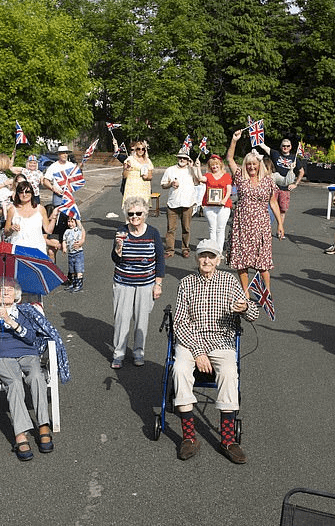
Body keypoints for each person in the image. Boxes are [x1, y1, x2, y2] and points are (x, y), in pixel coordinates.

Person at [172, 239, 258, 464]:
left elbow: (253, 315)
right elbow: (180, 322)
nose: (207, 260)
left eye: (211, 256)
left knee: (229, 371)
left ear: (219, 260)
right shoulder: (187, 282)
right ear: (197, 258)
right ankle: (189, 437)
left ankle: (228, 440)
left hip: (222, 340)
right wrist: (199, 352)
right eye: (203, 256)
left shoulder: (230, 281)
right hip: (192, 340)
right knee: (179, 369)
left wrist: (246, 307)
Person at [0, 278, 70, 461]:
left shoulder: (25, 312)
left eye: (9, 289)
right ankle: (20, 434)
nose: (5, 292)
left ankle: (43, 425)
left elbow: (31, 338)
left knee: (37, 376)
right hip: (2, 355)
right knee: (14, 382)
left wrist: (11, 322)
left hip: (26, 352)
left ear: (16, 295)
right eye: (1, 290)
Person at [110, 195, 165, 369]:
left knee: (142, 320)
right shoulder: (121, 231)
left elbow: (160, 260)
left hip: (146, 283)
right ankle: (118, 354)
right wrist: (118, 249)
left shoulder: (153, 232)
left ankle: (138, 352)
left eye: (138, 213)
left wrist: (158, 284)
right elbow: (115, 259)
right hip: (123, 282)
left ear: (145, 213)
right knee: (121, 319)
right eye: (131, 214)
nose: (134, 217)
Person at [225, 129, 282, 290]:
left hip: (261, 225)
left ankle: (266, 293)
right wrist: (234, 140)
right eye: (248, 164)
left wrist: (280, 224)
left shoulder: (268, 181)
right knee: (242, 262)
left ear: (259, 165)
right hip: (242, 224)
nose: (251, 166)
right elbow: (229, 158)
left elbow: (274, 203)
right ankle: (246, 292)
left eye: (254, 164)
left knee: (262, 263)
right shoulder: (240, 177)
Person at [256, 138, 304, 238]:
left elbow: (301, 171)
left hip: (285, 188)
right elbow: (263, 146)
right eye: (283, 146)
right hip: (273, 186)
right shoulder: (275, 154)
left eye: (287, 146)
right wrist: (256, 136)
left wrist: (296, 184)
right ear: (280, 146)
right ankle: (265, 230)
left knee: (282, 210)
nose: (285, 148)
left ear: (290, 147)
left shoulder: (294, 158)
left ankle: (280, 229)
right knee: (268, 208)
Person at [160, 148, 202, 258]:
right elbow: (163, 185)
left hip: (188, 203)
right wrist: (170, 184)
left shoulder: (191, 170)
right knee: (171, 229)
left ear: (188, 159)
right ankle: (169, 250)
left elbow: (198, 182)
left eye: (184, 158)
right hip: (173, 203)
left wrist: (195, 168)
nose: (182, 160)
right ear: (177, 158)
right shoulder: (170, 170)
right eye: (180, 157)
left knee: (186, 228)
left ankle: (185, 249)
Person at [42, 145, 79, 262]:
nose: (64, 155)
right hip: (58, 198)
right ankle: (53, 270)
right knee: (54, 240)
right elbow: (45, 181)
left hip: (69, 200)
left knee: (72, 237)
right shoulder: (53, 167)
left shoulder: (71, 166)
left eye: (66, 153)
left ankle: (73, 272)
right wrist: (53, 188)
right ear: (58, 154)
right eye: (62, 153)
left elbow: (78, 180)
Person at [5, 180, 60, 257]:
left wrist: (54, 216)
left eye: (27, 192)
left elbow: (48, 230)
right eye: (21, 192)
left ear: (32, 193)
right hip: (18, 249)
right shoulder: (12, 210)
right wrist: (11, 228)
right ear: (17, 194)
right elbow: (6, 232)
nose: (24, 195)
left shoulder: (40, 209)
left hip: (37, 248)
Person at [202, 154, 233, 252]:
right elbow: (200, 179)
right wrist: (197, 167)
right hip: (209, 206)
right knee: (212, 228)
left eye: (216, 165)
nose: (214, 167)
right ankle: (212, 250)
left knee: (220, 229)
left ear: (220, 165)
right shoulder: (208, 175)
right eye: (212, 165)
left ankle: (219, 251)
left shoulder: (227, 176)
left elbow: (229, 190)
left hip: (223, 206)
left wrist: (224, 200)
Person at [121, 140, 153, 206]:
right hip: (132, 187)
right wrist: (127, 169)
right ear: (135, 149)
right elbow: (124, 176)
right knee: (132, 209)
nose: (141, 151)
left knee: (142, 210)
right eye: (138, 149)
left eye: (143, 149)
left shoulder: (148, 161)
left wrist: (146, 177)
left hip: (144, 187)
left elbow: (150, 176)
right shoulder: (130, 159)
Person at [61, 215, 86, 292]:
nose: (70, 224)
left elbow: (81, 229)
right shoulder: (67, 231)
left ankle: (79, 283)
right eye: (69, 221)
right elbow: (64, 240)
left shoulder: (78, 230)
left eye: (72, 221)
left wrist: (77, 219)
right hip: (70, 253)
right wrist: (64, 247)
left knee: (78, 269)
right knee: (72, 270)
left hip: (78, 253)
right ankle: (73, 282)